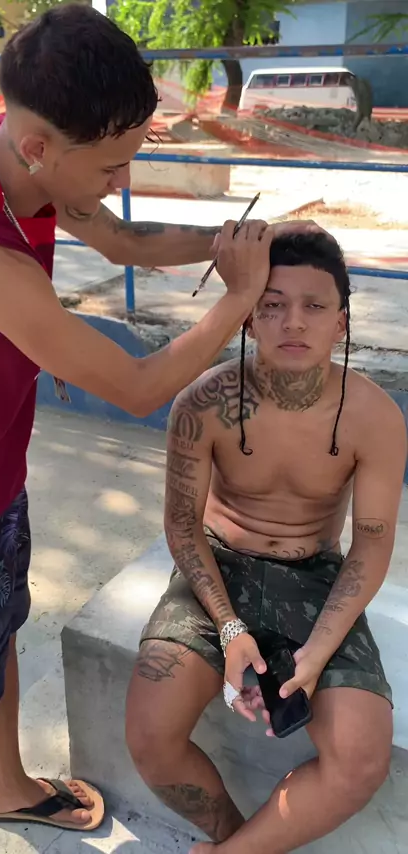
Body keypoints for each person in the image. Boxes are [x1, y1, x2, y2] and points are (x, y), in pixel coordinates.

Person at [0, 5, 320, 853]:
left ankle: (8, 784)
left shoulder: (13, 157)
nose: (122, 179)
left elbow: (125, 242)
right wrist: (236, 299)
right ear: (41, 147)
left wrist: (231, 243)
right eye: (111, 166)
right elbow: (138, 386)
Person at [126, 231, 408, 854]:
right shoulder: (203, 402)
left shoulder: (375, 417)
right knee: (150, 732)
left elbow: (370, 544)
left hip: (314, 575)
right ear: (250, 316)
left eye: (314, 306)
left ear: (341, 321)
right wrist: (228, 628)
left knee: (361, 757)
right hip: (216, 568)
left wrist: (318, 651)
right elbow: (182, 526)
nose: (293, 321)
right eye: (273, 304)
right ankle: (233, 836)